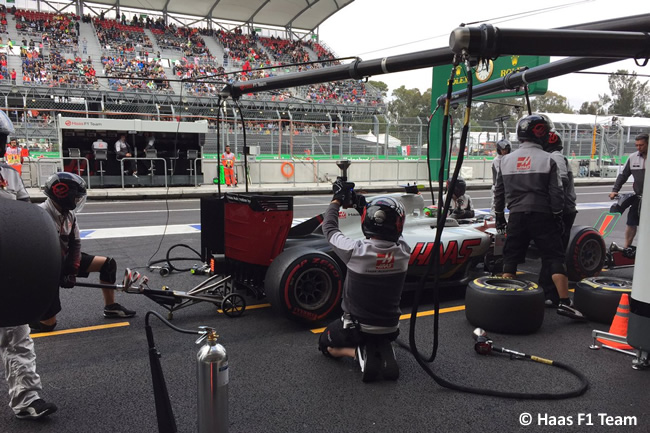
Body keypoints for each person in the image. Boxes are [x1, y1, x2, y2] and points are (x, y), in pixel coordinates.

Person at [494, 114, 585, 321]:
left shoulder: (506, 160)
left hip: (516, 215)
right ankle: (564, 303)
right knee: (554, 256)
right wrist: (557, 216)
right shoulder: (549, 159)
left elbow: (499, 192)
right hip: (543, 215)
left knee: (511, 257)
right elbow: (557, 193)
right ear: (542, 133)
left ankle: (506, 299)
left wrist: (499, 215)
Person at [318, 182, 411, 382]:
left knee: (325, 344)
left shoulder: (355, 251)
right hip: (390, 328)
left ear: (365, 222)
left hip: (355, 328)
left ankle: (359, 353)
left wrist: (336, 200)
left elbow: (329, 228)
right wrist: (364, 205)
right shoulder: (404, 251)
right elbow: (392, 228)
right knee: (379, 331)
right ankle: (381, 346)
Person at [0, 117, 58, 420]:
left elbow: (27, 217)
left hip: (8, 267)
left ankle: (27, 399)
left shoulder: (9, 173)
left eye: (4, 138)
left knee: (17, 335)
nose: (3, 145)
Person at [30, 173, 135, 333]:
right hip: (44, 269)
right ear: (62, 194)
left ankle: (111, 307)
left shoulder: (69, 214)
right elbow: (37, 255)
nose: (78, 201)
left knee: (108, 264)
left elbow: (75, 244)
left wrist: (72, 270)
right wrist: (59, 275)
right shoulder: (39, 215)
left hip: (63, 259)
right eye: (76, 197)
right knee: (48, 325)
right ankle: (22, 321)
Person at [539, 130, 578, 306]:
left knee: (554, 252)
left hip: (563, 211)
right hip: (561, 210)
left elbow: (560, 185)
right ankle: (546, 289)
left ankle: (553, 294)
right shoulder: (554, 156)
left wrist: (557, 213)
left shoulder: (556, 158)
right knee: (550, 252)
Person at [608, 132, 647, 248]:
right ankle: (626, 248)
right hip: (640, 196)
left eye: (642, 145)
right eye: (637, 145)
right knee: (631, 222)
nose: (639, 147)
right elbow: (623, 175)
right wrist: (615, 190)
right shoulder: (633, 158)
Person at [490, 139, 511, 215]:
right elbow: (500, 174)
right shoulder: (496, 160)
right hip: (497, 186)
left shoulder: (510, 158)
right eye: (502, 150)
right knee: (496, 204)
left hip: (508, 185)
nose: (504, 151)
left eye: (506, 150)